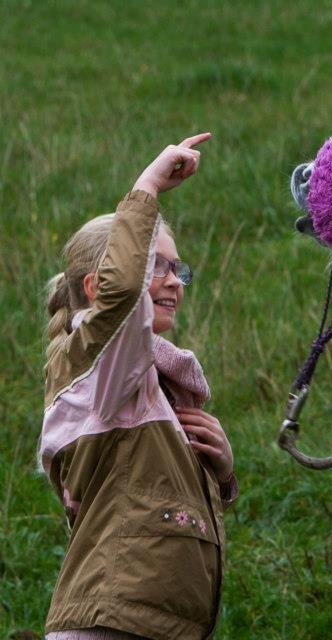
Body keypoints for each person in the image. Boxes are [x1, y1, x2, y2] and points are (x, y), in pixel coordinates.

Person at [40, 134, 237, 640]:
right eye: (158, 266)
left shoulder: (146, 382)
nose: (176, 282)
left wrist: (219, 476)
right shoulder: (99, 364)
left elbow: (147, 500)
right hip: (109, 627)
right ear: (95, 289)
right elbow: (124, 296)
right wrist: (148, 186)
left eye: (178, 268)